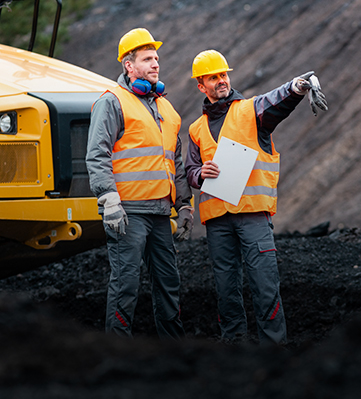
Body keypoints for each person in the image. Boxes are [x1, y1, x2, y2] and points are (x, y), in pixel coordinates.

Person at [185, 49, 327, 344]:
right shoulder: (196, 129)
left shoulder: (250, 110)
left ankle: (273, 350)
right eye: (214, 77)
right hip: (218, 223)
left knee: (264, 285)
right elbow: (189, 170)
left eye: (224, 75)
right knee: (226, 289)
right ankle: (234, 349)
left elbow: (276, 101)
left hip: (253, 216)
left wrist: (297, 86)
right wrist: (200, 174)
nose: (221, 81)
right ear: (202, 86)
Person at [86, 28, 194, 340]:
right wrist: (108, 200)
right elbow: (96, 154)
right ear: (129, 65)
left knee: (168, 284)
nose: (156, 63)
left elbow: (173, 161)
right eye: (147, 59)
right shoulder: (112, 102)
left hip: (160, 213)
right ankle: (117, 354)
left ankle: (173, 354)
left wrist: (184, 204)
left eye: (157, 58)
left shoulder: (167, 109)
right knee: (126, 284)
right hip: (127, 213)